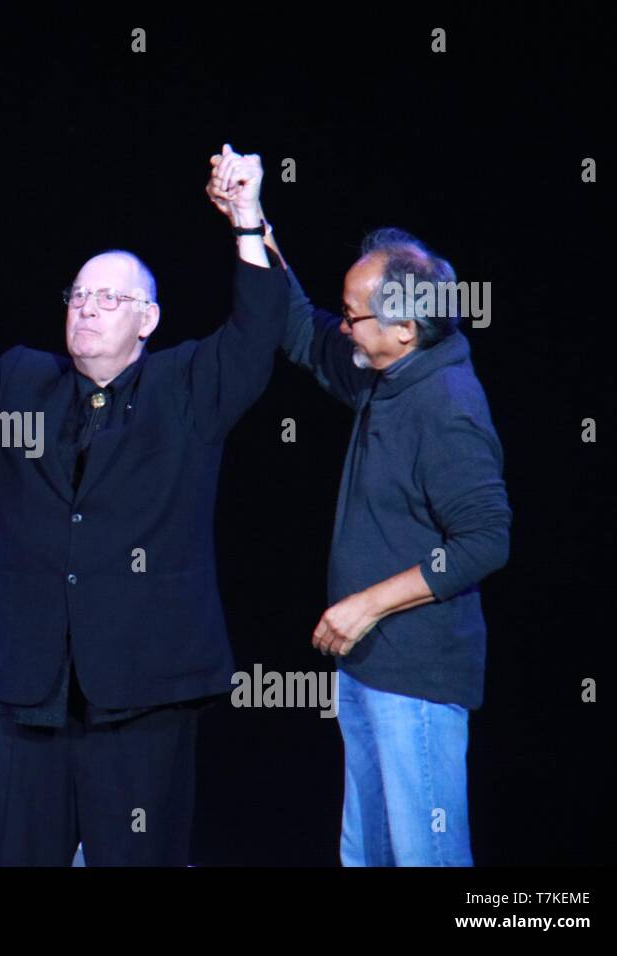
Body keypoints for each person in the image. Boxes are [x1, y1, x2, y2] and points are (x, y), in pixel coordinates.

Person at [0, 146, 288, 865]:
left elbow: (258, 330)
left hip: (144, 695)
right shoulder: (22, 382)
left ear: (148, 319)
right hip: (27, 689)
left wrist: (245, 217)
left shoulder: (189, 389)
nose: (86, 309)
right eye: (78, 296)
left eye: (108, 299)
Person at [207, 156, 511, 865]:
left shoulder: (448, 408)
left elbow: (486, 541)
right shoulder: (389, 370)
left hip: (418, 683)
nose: (343, 327)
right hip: (369, 671)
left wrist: (368, 603)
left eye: (355, 316)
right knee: (368, 854)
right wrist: (252, 223)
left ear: (404, 326)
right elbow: (302, 330)